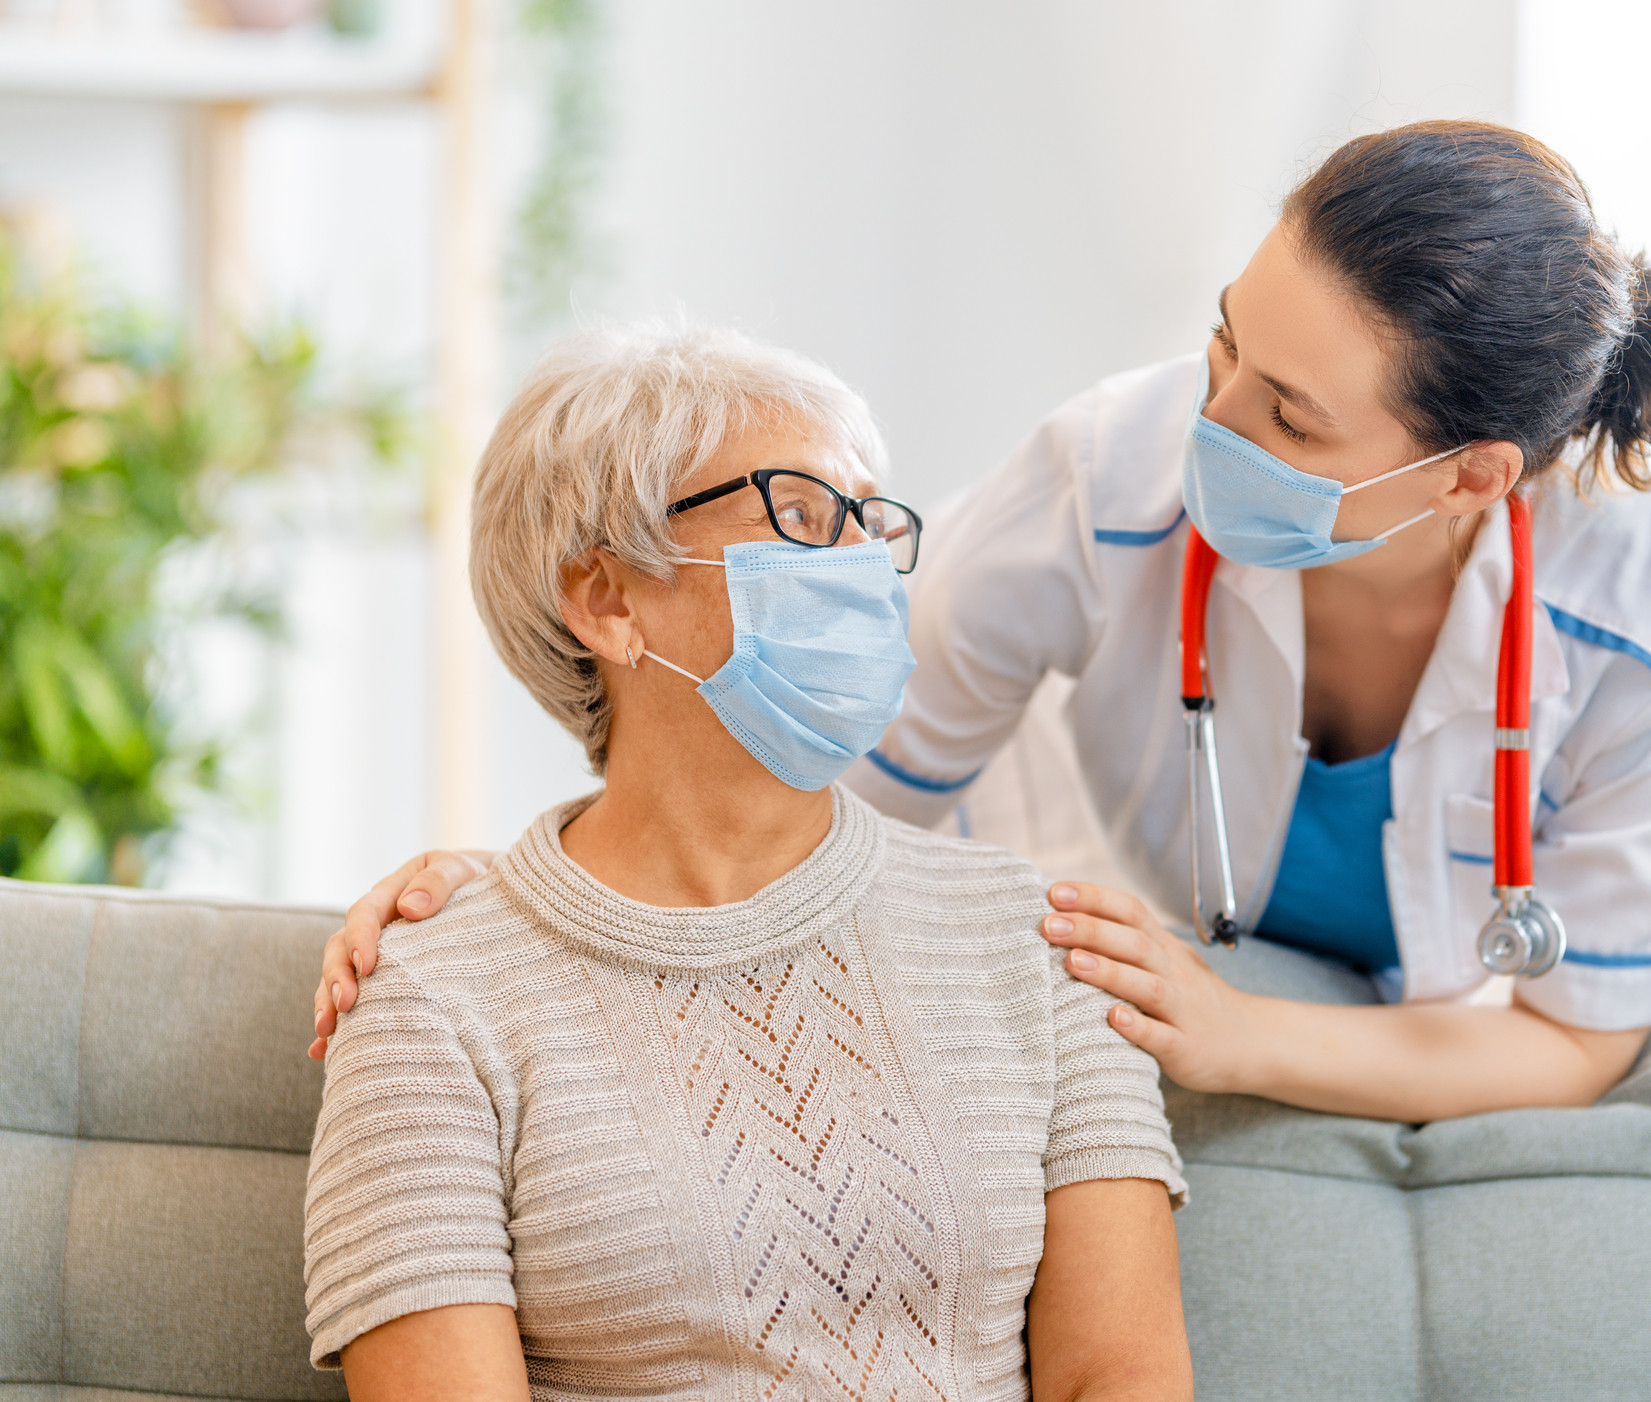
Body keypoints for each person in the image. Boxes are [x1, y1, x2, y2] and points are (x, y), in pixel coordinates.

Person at [313, 120, 1651, 1127]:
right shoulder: (1105, 470)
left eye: (1289, 415)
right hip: (1104, 957)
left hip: (1398, 1039)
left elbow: (1577, 1039)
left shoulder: (1645, 611)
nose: (1210, 420)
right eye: (1228, 340)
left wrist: (1243, 1035)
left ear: (1473, 477)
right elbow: (811, 770)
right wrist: (522, 892)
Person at [302, 323, 1190, 1399]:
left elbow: (1121, 1377)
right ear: (607, 599)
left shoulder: (1037, 940)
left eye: (868, 523)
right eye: (801, 517)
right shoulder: (430, 996)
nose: (860, 566)